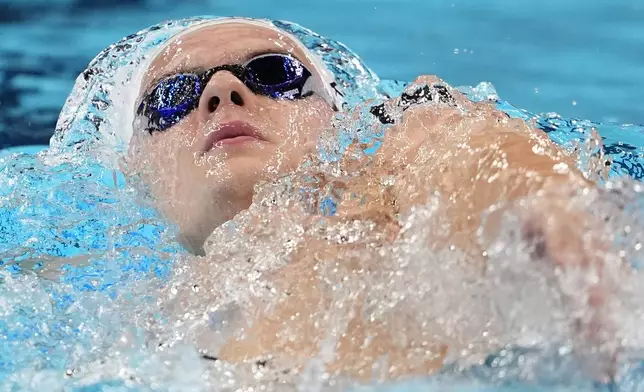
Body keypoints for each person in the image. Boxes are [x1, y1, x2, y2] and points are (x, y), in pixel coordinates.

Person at [125, 18, 613, 379]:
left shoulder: (388, 191)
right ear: (138, 171)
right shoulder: (112, 313)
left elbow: (465, 149)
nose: (224, 90)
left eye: (274, 72)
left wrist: (549, 206)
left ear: (340, 123)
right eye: (172, 95)